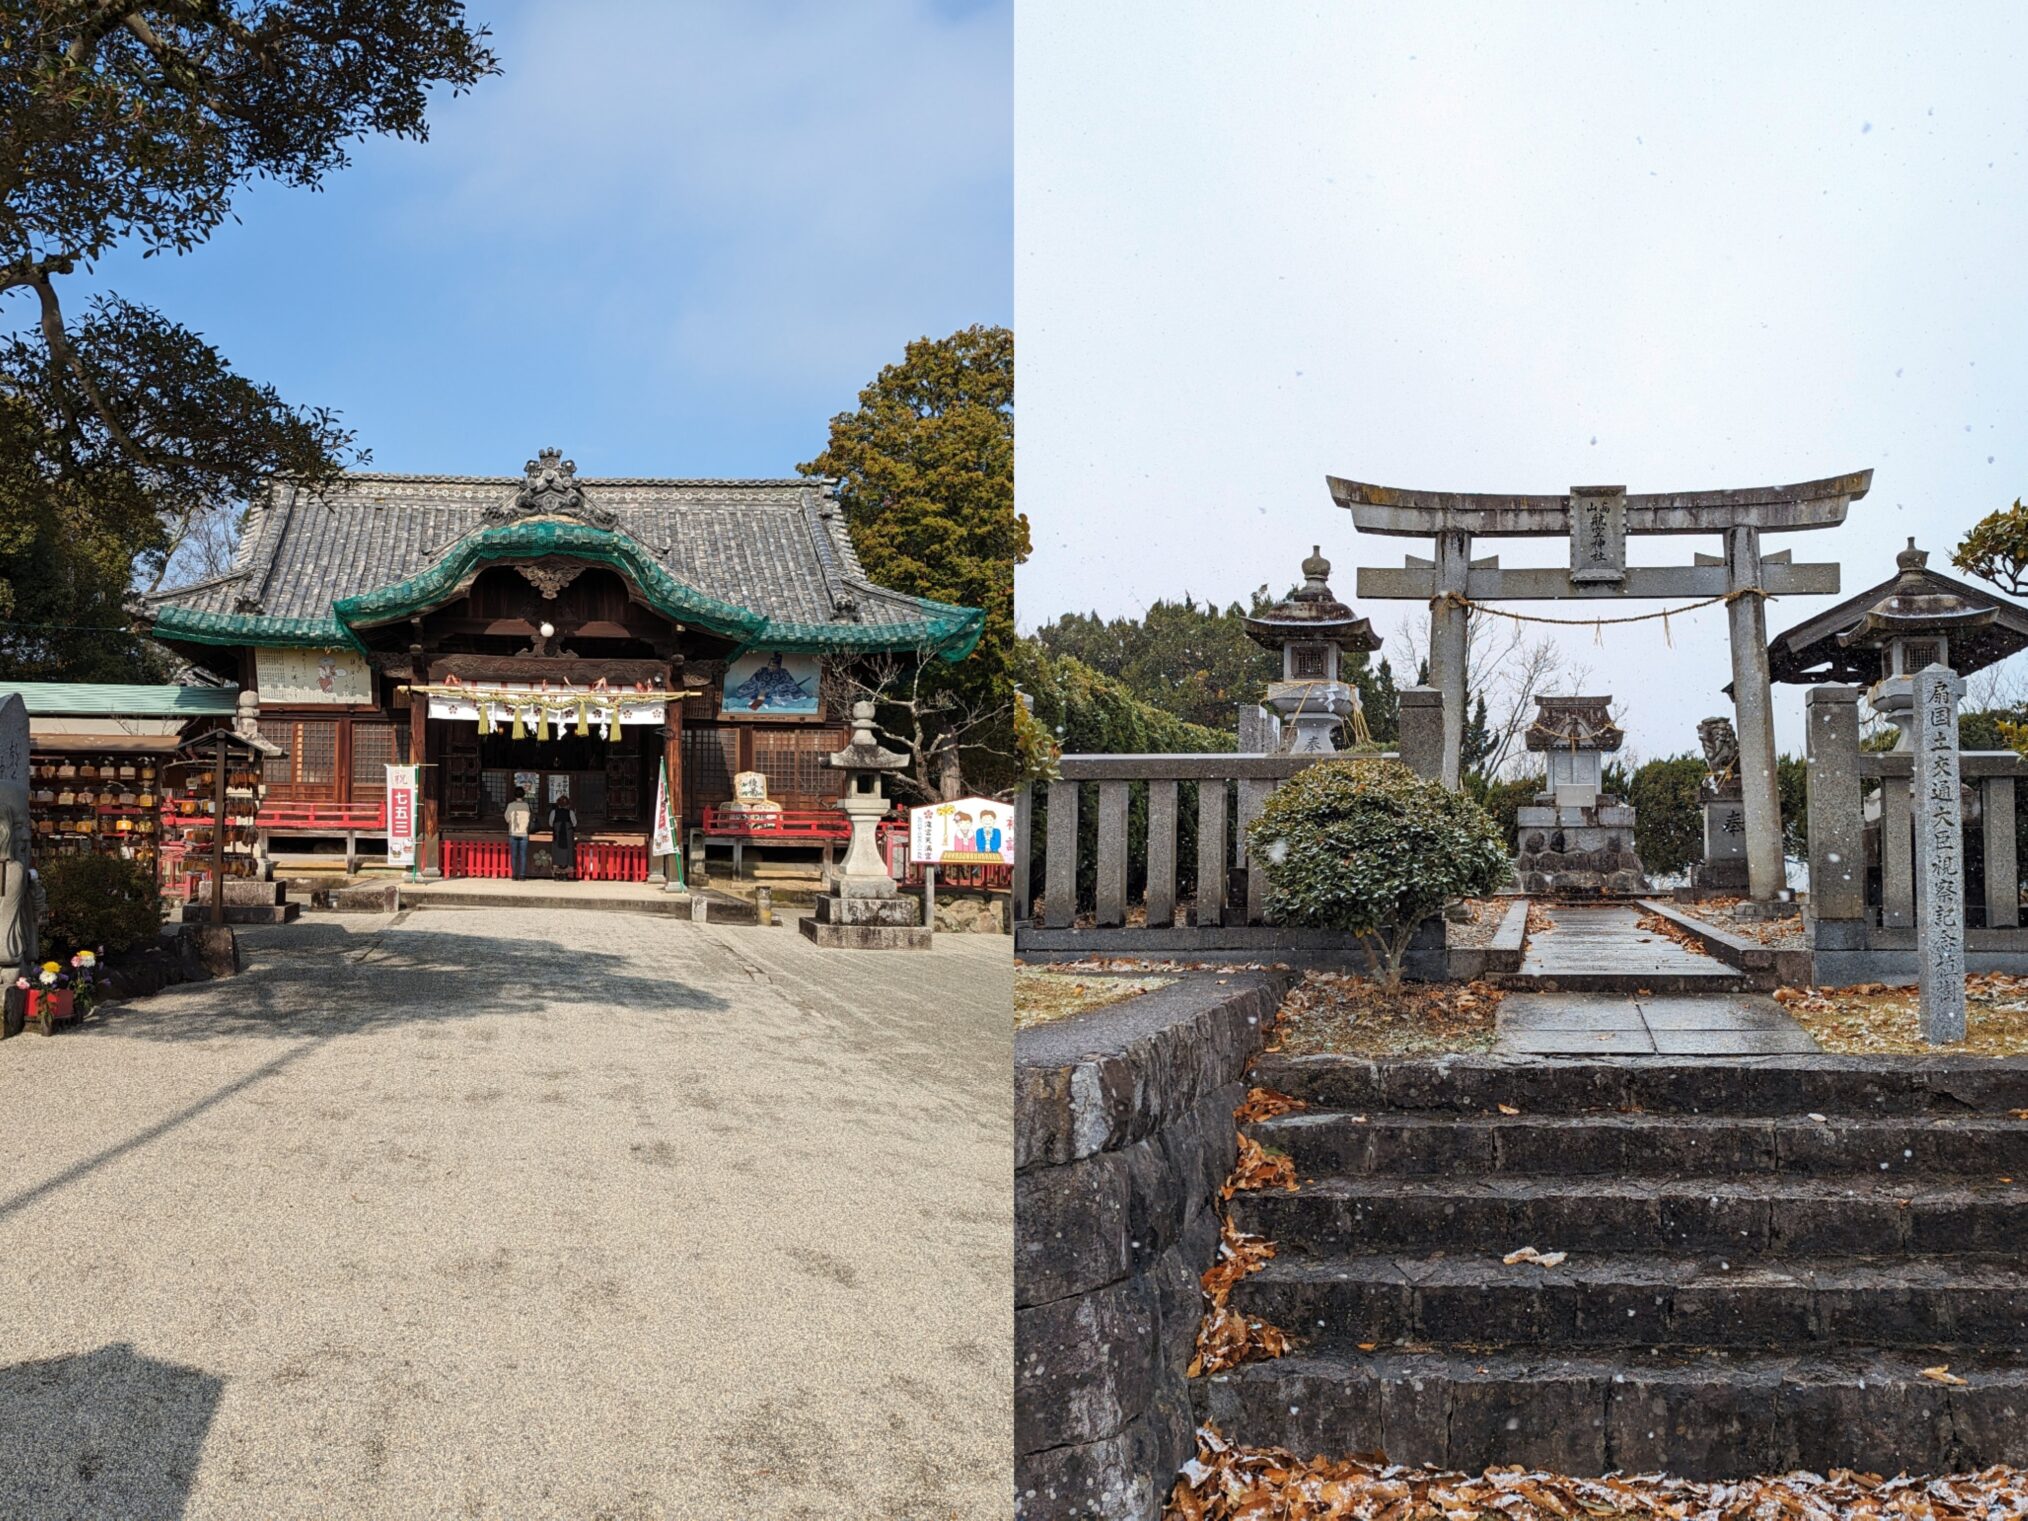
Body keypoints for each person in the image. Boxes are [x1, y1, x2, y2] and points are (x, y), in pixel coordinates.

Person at [503, 787, 532, 880]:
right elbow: (529, 817)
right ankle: (522, 875)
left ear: (514, 795)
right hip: (524, 832)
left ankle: (514, 875)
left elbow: (507, 818)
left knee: (514, 855)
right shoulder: (526, 806)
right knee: (523, 855)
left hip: (513, 832)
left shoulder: (510, 806)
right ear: (523, 795)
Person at [549, 793, 578, 880]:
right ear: (568, 804)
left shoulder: (554, 812)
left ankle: (557, 874)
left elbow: (551, 823)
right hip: (568, 835)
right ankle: (565, 874)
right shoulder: (571, 812)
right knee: (567, 853)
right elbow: (575, 823)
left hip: (557, 835)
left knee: (557, 853)